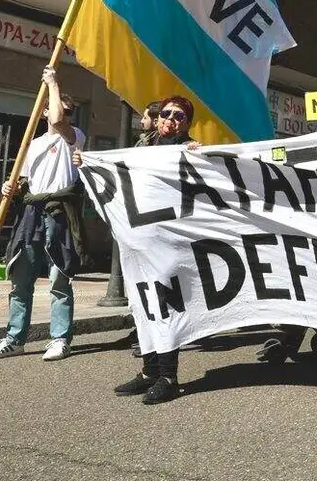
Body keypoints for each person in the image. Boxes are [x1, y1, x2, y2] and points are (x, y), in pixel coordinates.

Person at [0, 67, 86, 362]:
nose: (65, 115)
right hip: (31, 214)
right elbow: (23, 180)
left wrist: (52, 82)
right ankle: (14, 339)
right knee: (20, 279)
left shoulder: (74, 137)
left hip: (59, 214)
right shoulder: (33, 143)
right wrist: (10, 186)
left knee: (59, 280)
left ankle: (60, 339)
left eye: (69, 111)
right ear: (43, 112)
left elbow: (58, 121)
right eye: (60, 109)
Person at [109, 96, 201, 405]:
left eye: (179, 116)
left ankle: (168, 377)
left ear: (186, 124)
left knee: (165, 307)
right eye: (166, 113)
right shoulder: (141, 147)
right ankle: (149, 371)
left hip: (169, 242)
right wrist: (88, 162)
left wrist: (198, 157)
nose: (170, 119)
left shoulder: (189, 150)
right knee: (142, 304)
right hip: (139, 242)